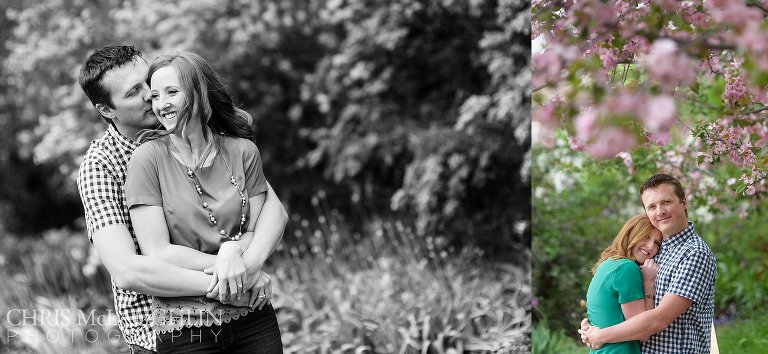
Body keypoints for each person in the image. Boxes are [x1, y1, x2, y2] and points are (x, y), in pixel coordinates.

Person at [77, 45, 287, 353]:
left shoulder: (199, 129)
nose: (152, 95)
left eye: (149, 81)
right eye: (136, 91)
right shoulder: (102, 165)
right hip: (160, 326)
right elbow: (128, 270)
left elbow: (272, 210)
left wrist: (245, 265)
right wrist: (234, 278)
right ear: (107, 110)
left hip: (243, 315)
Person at [579, 174, 717, 354]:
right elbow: (625, 304)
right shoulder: (655, 252)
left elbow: (659, 319)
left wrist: (601, 335)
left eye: (666, 202)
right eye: (652, 206)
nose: (660, 211)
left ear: (683, 202)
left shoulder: (694, 253)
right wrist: (594, 324)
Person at [585, 214, 662, 354]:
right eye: (646, 237)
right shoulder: (627, 268)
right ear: (631, 235)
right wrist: (649, 283)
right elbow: (643, 331)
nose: (651, 246)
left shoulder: (607, 264)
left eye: (657, 242)